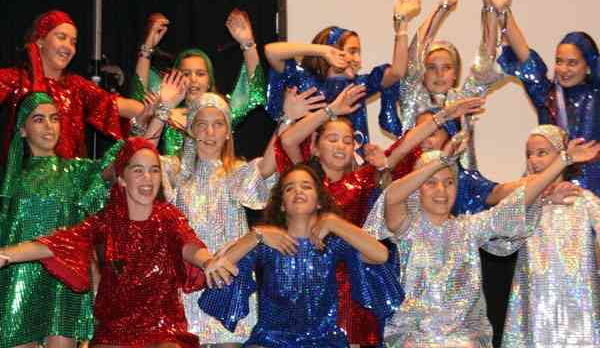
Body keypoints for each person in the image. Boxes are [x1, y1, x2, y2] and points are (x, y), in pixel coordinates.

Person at [278, 85, 484, 346]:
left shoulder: (363, 180)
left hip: (354, 279)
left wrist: (444, 116)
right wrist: (332, 109)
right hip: (309, 275)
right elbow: (288, 141)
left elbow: (402, 147)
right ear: (315, 147)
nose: (341, 145)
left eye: (348, 140)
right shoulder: (306, 182)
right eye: (332, 139)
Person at [363, 132, 600, 347]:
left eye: (449, 182)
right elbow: (392, 196)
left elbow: (514, 204)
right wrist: (442, 161)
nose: (441, 191)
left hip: (464, 339)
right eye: (431, 183)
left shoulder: (469, 228)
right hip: (414, 338)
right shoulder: (406, 227)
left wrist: (564, 160)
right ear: (417, 188)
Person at [0, 137, 237, 347]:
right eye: (138, 170)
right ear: (122, 178)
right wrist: (6, 254)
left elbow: (188, 243)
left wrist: (207, 261)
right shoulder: (106, 221)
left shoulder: (168, 217)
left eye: (154, 170)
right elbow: (57, 243)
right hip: (115, 332)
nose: (148, 178)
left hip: (163, 329)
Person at [198, 163, 404, 348]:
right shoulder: (268, 244)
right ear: (282, 204)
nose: (298, 191)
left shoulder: (332, 244)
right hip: (271, 340)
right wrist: (256, 235)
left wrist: (334, 222)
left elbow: (381, 255)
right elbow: (220, 267)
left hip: (324, 340)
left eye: (306, 186)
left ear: (319, 201)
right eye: (289, 188)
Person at [141, 84, 280, 347]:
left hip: (227, 281)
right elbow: (140, 156)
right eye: (201, 124)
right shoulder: (175, 171)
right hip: (185, 283)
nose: (209, 132)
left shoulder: (237, 172)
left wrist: (286, 120)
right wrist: (162, 111)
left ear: (228, 132)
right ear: (191, 129)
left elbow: (268, 166)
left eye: (218, 124)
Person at [0, 92, 121, 348]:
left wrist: (157, 115)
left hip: (63, 280)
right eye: (39, 119)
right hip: (17, 278)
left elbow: (123, 162)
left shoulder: (76, 172)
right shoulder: (8, 180)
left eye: (54, 118)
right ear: (22, 129)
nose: (49, 126)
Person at [485, 0, 600, 196]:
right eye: (559, 61)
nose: (563, 69)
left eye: (572, 63)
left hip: (593, 192)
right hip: (549, 188)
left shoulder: (596, 96)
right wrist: (504, 11)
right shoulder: (547, 95)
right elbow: (525, 56)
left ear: (588, 65)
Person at [265, 0, 422, 156]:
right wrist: (322, 50)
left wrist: (402, 26)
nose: (358, 60)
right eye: (352, 52)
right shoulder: (303, 79)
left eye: (359, 53)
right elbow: (271, 52)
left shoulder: (357, 87)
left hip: (349, 166)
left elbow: (397, 72)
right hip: (308, 165)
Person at [490, 125, 600, 347]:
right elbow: (495, 202)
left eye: (541, 153)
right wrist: (544, 197)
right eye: (529, 154)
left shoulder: (583, 200)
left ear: (561, 155)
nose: (533, 160)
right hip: (536, 300)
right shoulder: (525, 203)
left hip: (578, 302)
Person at [380, 0, 504, 169]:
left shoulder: (462, 99)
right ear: (423, 72)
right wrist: (443, 7)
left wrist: (490, 10)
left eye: (446, 68)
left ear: (455, 74)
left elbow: (485, 64)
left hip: (459, 180)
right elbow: (414, 55)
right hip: (414, 177)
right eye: (432, 68)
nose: (439, 74)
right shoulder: (411, 94)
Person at [0, 10, 144, 161]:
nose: (68, 47)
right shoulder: (17, 79)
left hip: (69, 174)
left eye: (73, 42)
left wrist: (158, 111)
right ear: (40, 40)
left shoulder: (75, 86)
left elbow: (118, 105)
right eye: (61, 37)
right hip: (23, 174)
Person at [131, 9, 266, 156]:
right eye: (186, 74)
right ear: (175, 79)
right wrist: (146, 49)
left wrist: (247, 44)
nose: (193, 80)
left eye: (200, 74)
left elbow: (254, 91)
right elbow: (139, 94)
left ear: (209, 81)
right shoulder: (166, 114)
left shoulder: (222, 111)